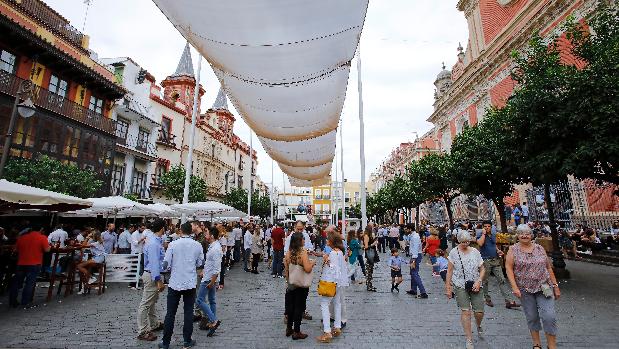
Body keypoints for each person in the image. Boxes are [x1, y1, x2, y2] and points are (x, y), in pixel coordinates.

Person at [505, 224, 560, 349]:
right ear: (517, 235)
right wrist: (514, 287)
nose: (524, 236)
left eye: (527, 233)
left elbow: (548, 267)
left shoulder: (540, 248)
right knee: (532, 316)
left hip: (544, 287)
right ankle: (536, 344)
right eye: (521, 233)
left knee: (549, 316)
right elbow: (508, 268)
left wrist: (555, 286)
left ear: (531, 235)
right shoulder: (513, 250)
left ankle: (552, 346)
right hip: (524, 289)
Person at [159, 221, 205, 349]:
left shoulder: (173, 244)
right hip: (190, 282)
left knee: (170, 313)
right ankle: (187, 341)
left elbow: (166, 264)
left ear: (180, 231)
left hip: (175, 282)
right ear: (191, 231)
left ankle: (166, 342)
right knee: (188, 312)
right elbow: (200, 263)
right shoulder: (197, 245)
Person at [445, 230, 486, 349]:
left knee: (479, 312)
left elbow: (482, 269)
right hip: (460, 285)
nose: (465, 244)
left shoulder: (475, 252)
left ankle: (478, 325)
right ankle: (469, 339)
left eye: (467, 241)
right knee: (466, 311)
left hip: (476, 284)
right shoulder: (453, 252)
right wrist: (448, 287)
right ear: (458, 241)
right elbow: (449, 271)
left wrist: (479, 280)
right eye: (462, 242)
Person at [476, 220, 520, 309]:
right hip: (485, 261)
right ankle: (487, 299)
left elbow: (493, 244)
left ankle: (509, 301)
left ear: (491, 227)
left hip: (495, 260)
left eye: (489, 226)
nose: (487, 228)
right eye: (485, 226)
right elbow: (480, 243)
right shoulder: (480, 235)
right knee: (485, 281)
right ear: (483, 227)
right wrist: (484, 234)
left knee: (502, 280)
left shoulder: (492, 234)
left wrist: (497, 250)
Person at [136, 219, 166, 342]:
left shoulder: (154, 240)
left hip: (151, 274)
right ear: (162, 228)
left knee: (152, 301)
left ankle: (154, 324)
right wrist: (158, 280)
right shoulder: (153, 243)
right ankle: (143, 330)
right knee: (146, 303)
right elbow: (154, 263)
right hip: (152, 275)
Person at [9, 226, 50, 307]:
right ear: (41, 229)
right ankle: (25, 302)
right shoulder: (42, 237)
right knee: (29, 283)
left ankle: (12, 301)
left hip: (21, 263)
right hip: (35, 263)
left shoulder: (22, 237)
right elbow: (47, 250)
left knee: (16, 283)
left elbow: (15, 250)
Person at [284, 232, 315, 340]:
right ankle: (297, 331)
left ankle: (289, 328)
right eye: (303, 239)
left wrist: (288, 282)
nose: (304, 241)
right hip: (301, 284)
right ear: (299, 241)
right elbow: (307, 269)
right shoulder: (302, 253)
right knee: (299, 307)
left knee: (291, 307)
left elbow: (286, 269)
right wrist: (313, 263)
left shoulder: (288, 253)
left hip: (292, 283)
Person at [317, 232, 346, 343]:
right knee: (337, 303)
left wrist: (327, 260)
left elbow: (334, 269)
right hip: (338, 283)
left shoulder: (333, 253)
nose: (326, 241)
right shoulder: (340, 252)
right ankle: (337, 326)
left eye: (328, 239)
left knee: (324, 304)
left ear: (331, 241)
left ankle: (327, 331)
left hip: (331, 282)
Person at [196, 227, 223, 336]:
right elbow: (210, 263)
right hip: (209, 276)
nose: (205, 234)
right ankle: (212, 323)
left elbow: (217, 268)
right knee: (212, 300)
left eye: (206, 233)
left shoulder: (215, 248)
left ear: (211, 235)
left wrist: (212, 281)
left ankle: (213, 320)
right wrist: (204, 270)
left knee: (199, 300)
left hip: (209, 279)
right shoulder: (213, 246)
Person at [406, 224, 428, 298]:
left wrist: (413, 260)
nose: (405, 230)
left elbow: (415, 248)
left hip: (415, 256)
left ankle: (423, 292)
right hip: (415, 255)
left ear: (409, 229)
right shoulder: (413, 236)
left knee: (414, 273)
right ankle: (413, 289)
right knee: (413, 273)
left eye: (406, 229)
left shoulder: (415, 237)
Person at [362, 225, 378, 292]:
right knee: (369, 270)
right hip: (369, 254)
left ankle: (370, 285)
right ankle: (369, 286)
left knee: (370, 270)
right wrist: (373, 244)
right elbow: (366, 247)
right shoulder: (366, 236)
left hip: (371, 254)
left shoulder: (368, 235)